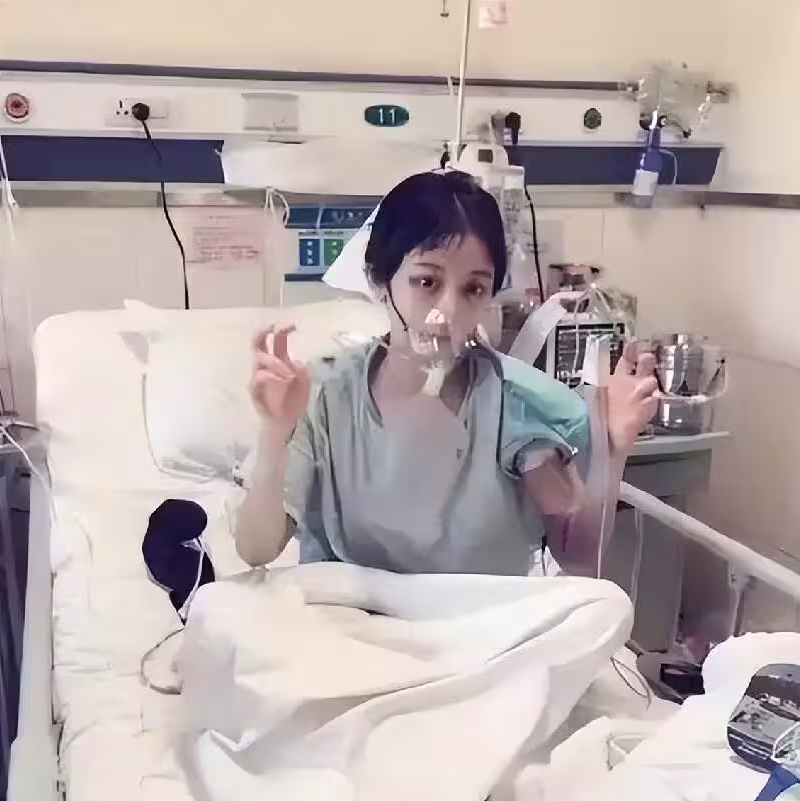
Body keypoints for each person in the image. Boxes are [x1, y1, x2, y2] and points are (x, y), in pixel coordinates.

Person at [235, 171, 657, 576]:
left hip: (475, 621)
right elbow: (255, 549)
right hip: (349, 621)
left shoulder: (514, 407)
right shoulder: (325, 397)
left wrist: (611, 450)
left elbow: (579, 557)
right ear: (380, 280)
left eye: (473, 288)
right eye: (426, 282)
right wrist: (275, 434)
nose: (448, 311)